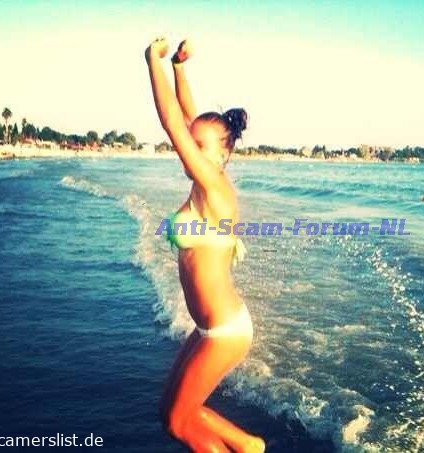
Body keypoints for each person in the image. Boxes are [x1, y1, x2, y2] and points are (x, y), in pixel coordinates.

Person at [145, 37, 264, 452]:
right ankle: (249, 447)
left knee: (180, 423)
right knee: (172, 415)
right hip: (208, 326)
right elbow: (187, 119)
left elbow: (173, 124)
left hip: (225, 331)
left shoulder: (214, 187)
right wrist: (179, 68)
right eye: (191, 144)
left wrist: (151, 60)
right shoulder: (204, 181)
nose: (188, 151)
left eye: (198, 147)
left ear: (221, 155)